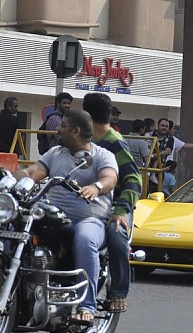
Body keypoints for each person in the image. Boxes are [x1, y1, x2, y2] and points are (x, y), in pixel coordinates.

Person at [12, 110, 118, 323]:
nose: (57, 129)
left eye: (63, 126)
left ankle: (86, 305)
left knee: (84, 238)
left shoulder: (102, 155)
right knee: (18, 221)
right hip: (56, 214)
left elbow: (110, 178)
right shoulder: (55, 153)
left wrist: (96, 187)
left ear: (76, 131)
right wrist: (12, 176)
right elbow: (34, 172)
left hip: (90, 220)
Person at [83, 93, 142, 314]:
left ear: (87, 116)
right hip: (88, 206)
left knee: (116, 236)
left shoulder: (114, 142)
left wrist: (120, 211)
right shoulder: (84, 141)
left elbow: (134, 180)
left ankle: (118, 292)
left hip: (115, 207)